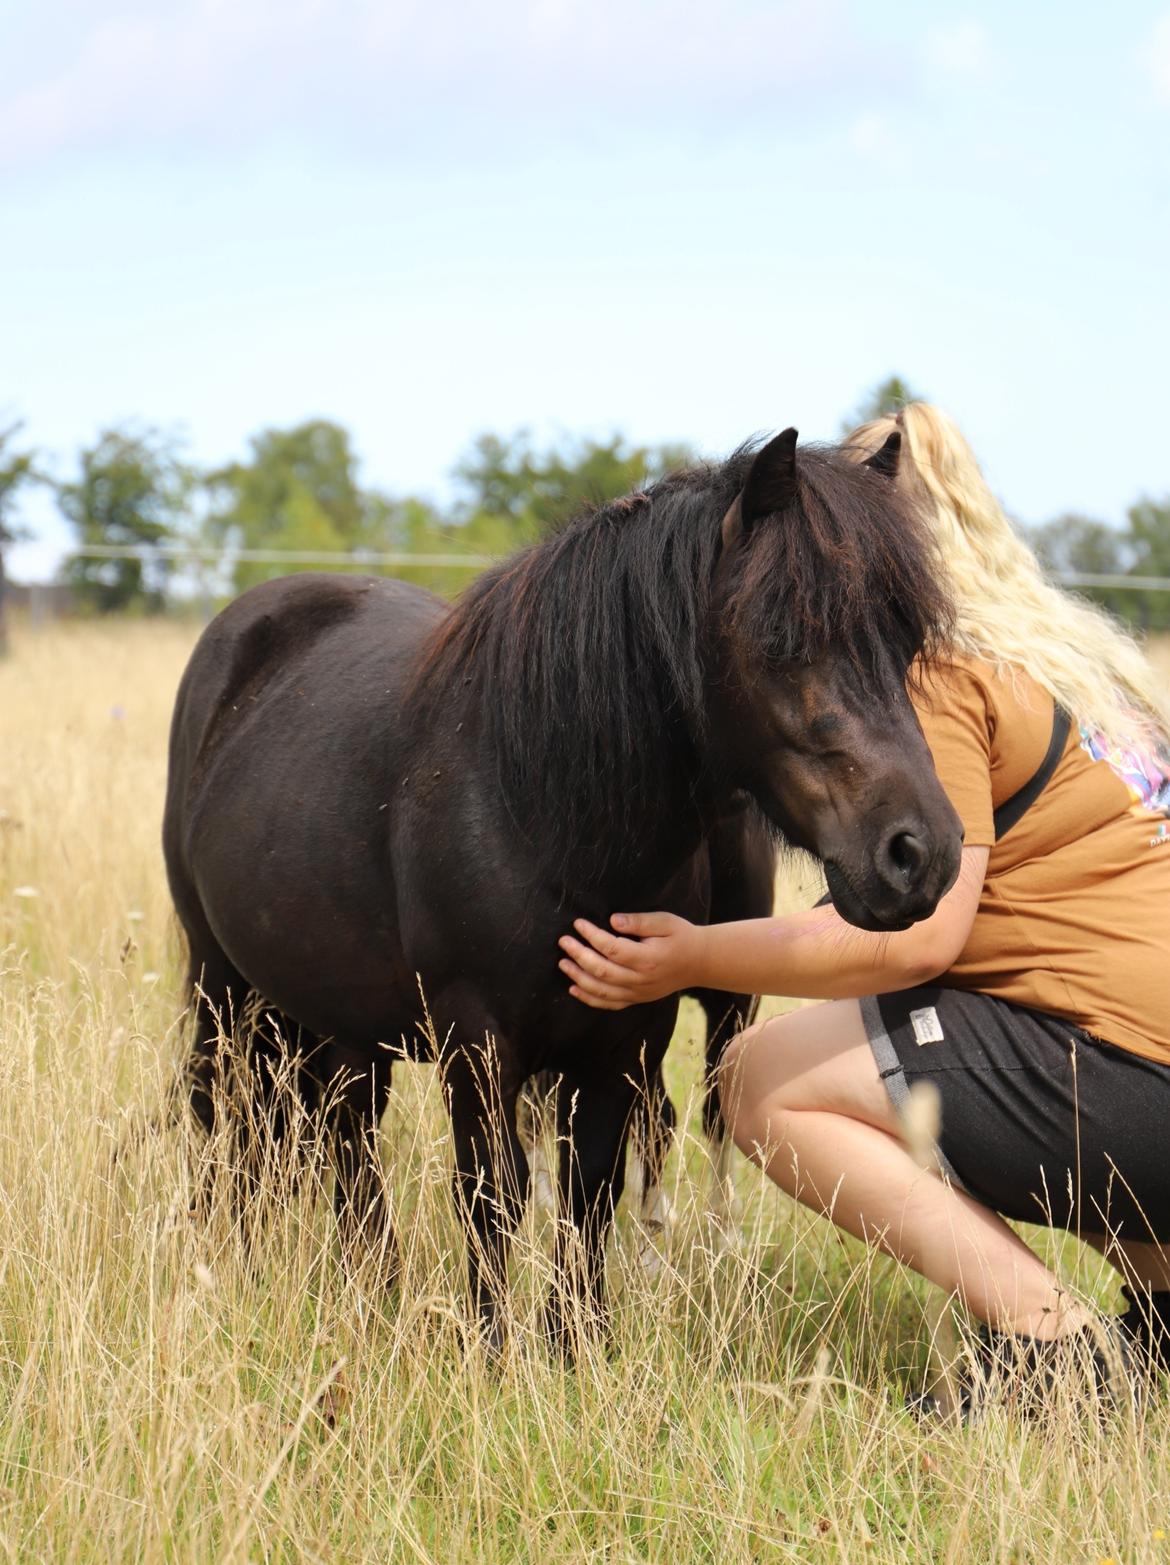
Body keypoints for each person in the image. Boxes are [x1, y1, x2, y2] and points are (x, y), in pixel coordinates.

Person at [557, 403, 1170, 1412]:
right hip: (1140, 1069)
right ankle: (1159, 1321)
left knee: (762, 1078)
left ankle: (1051, 1350)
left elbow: (919, 935)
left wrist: (693, 955)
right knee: (1013, 1016)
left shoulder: (940, 676)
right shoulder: (1082, 664)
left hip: (1136, 1084)